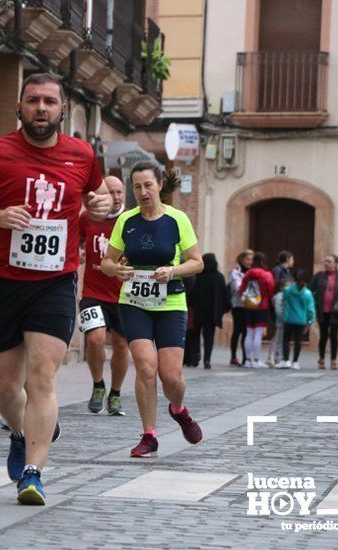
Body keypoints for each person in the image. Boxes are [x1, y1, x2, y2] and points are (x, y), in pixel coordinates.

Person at [0, 73, 112, 505]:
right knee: (7, 389)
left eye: (49, 101)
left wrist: (102, 204)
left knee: (43, 378)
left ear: (62, 109)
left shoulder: (81, 154)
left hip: (56, 283)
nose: (41, 108)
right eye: (33, 101)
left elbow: (100, 199)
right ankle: (21, 433)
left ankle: (33, 473)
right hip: (4, 281)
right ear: (19, 108)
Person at [100, 161, 204, 459]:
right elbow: (108, 261)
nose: (143, 192)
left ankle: (179, 410)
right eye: (137, 187)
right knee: (146, 367)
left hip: (171, 303)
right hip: (134, 302)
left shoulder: (177, 219)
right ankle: (149, 435)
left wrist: (172, 271)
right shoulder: (126, 221)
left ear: (159, 184)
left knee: (171, 378)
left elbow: (197, 262)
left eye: (147, 185)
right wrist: (115, 271)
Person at [77, 175, 129, 415]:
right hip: (92, 291)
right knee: (95, 338)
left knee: (120, 345)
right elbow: (75, 244)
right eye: (111, 192)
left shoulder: (131, 221)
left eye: (119, 192)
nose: (116, 198)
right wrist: (77, 253)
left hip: (123, 295)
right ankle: (98, 384)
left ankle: (115, 394)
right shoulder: (87, 218)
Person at [186, 253, 231, 369]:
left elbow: (191, 294)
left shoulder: (198, 276)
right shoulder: (219, 277)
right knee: (209, 337)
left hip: (198, 311)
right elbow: (224, 294)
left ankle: (195, 357)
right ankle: (207, 360)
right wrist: (226, 308)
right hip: (212, 313)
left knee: (195, 335)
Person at [309, 254, 338, 369]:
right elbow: (310, 290)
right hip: (322, 310)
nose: (326, 263)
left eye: (329, 261)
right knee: (323, 335)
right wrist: (314, 302)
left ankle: (333, 360)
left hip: (336, 312)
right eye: (325, 261)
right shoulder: (319, 276)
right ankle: (321, 359)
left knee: (334, 335)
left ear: (335, 263)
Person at [239, 252, 275, 368]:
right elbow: (271, 290)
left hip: (249, 306)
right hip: (262, 306)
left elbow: (241, 289)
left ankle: (248, 360)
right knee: (258, 334)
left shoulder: (248, 274)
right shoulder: (266, 275)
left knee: (249, 333)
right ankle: (257, 360)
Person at [279, 270, 315, 370]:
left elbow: (284, 301)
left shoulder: (287, 290)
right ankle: (295, 362)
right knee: (298, 341)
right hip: (301, 320)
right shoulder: (307, 294)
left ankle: (286, 360)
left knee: (286, 340)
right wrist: (309, 322)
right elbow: (310, 309)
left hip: (289, 319)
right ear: (305, 282)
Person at [228, 249, 253, 366]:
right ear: (242, 259)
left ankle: (245, 357)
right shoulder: (235, 272)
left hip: (250, 305)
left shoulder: (253, 272)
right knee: (237, 330)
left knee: (246, 332)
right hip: (238, 305)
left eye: (251, 259)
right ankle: (233, 356)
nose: (249, 262)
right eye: (247, 259)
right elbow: (238, 288)